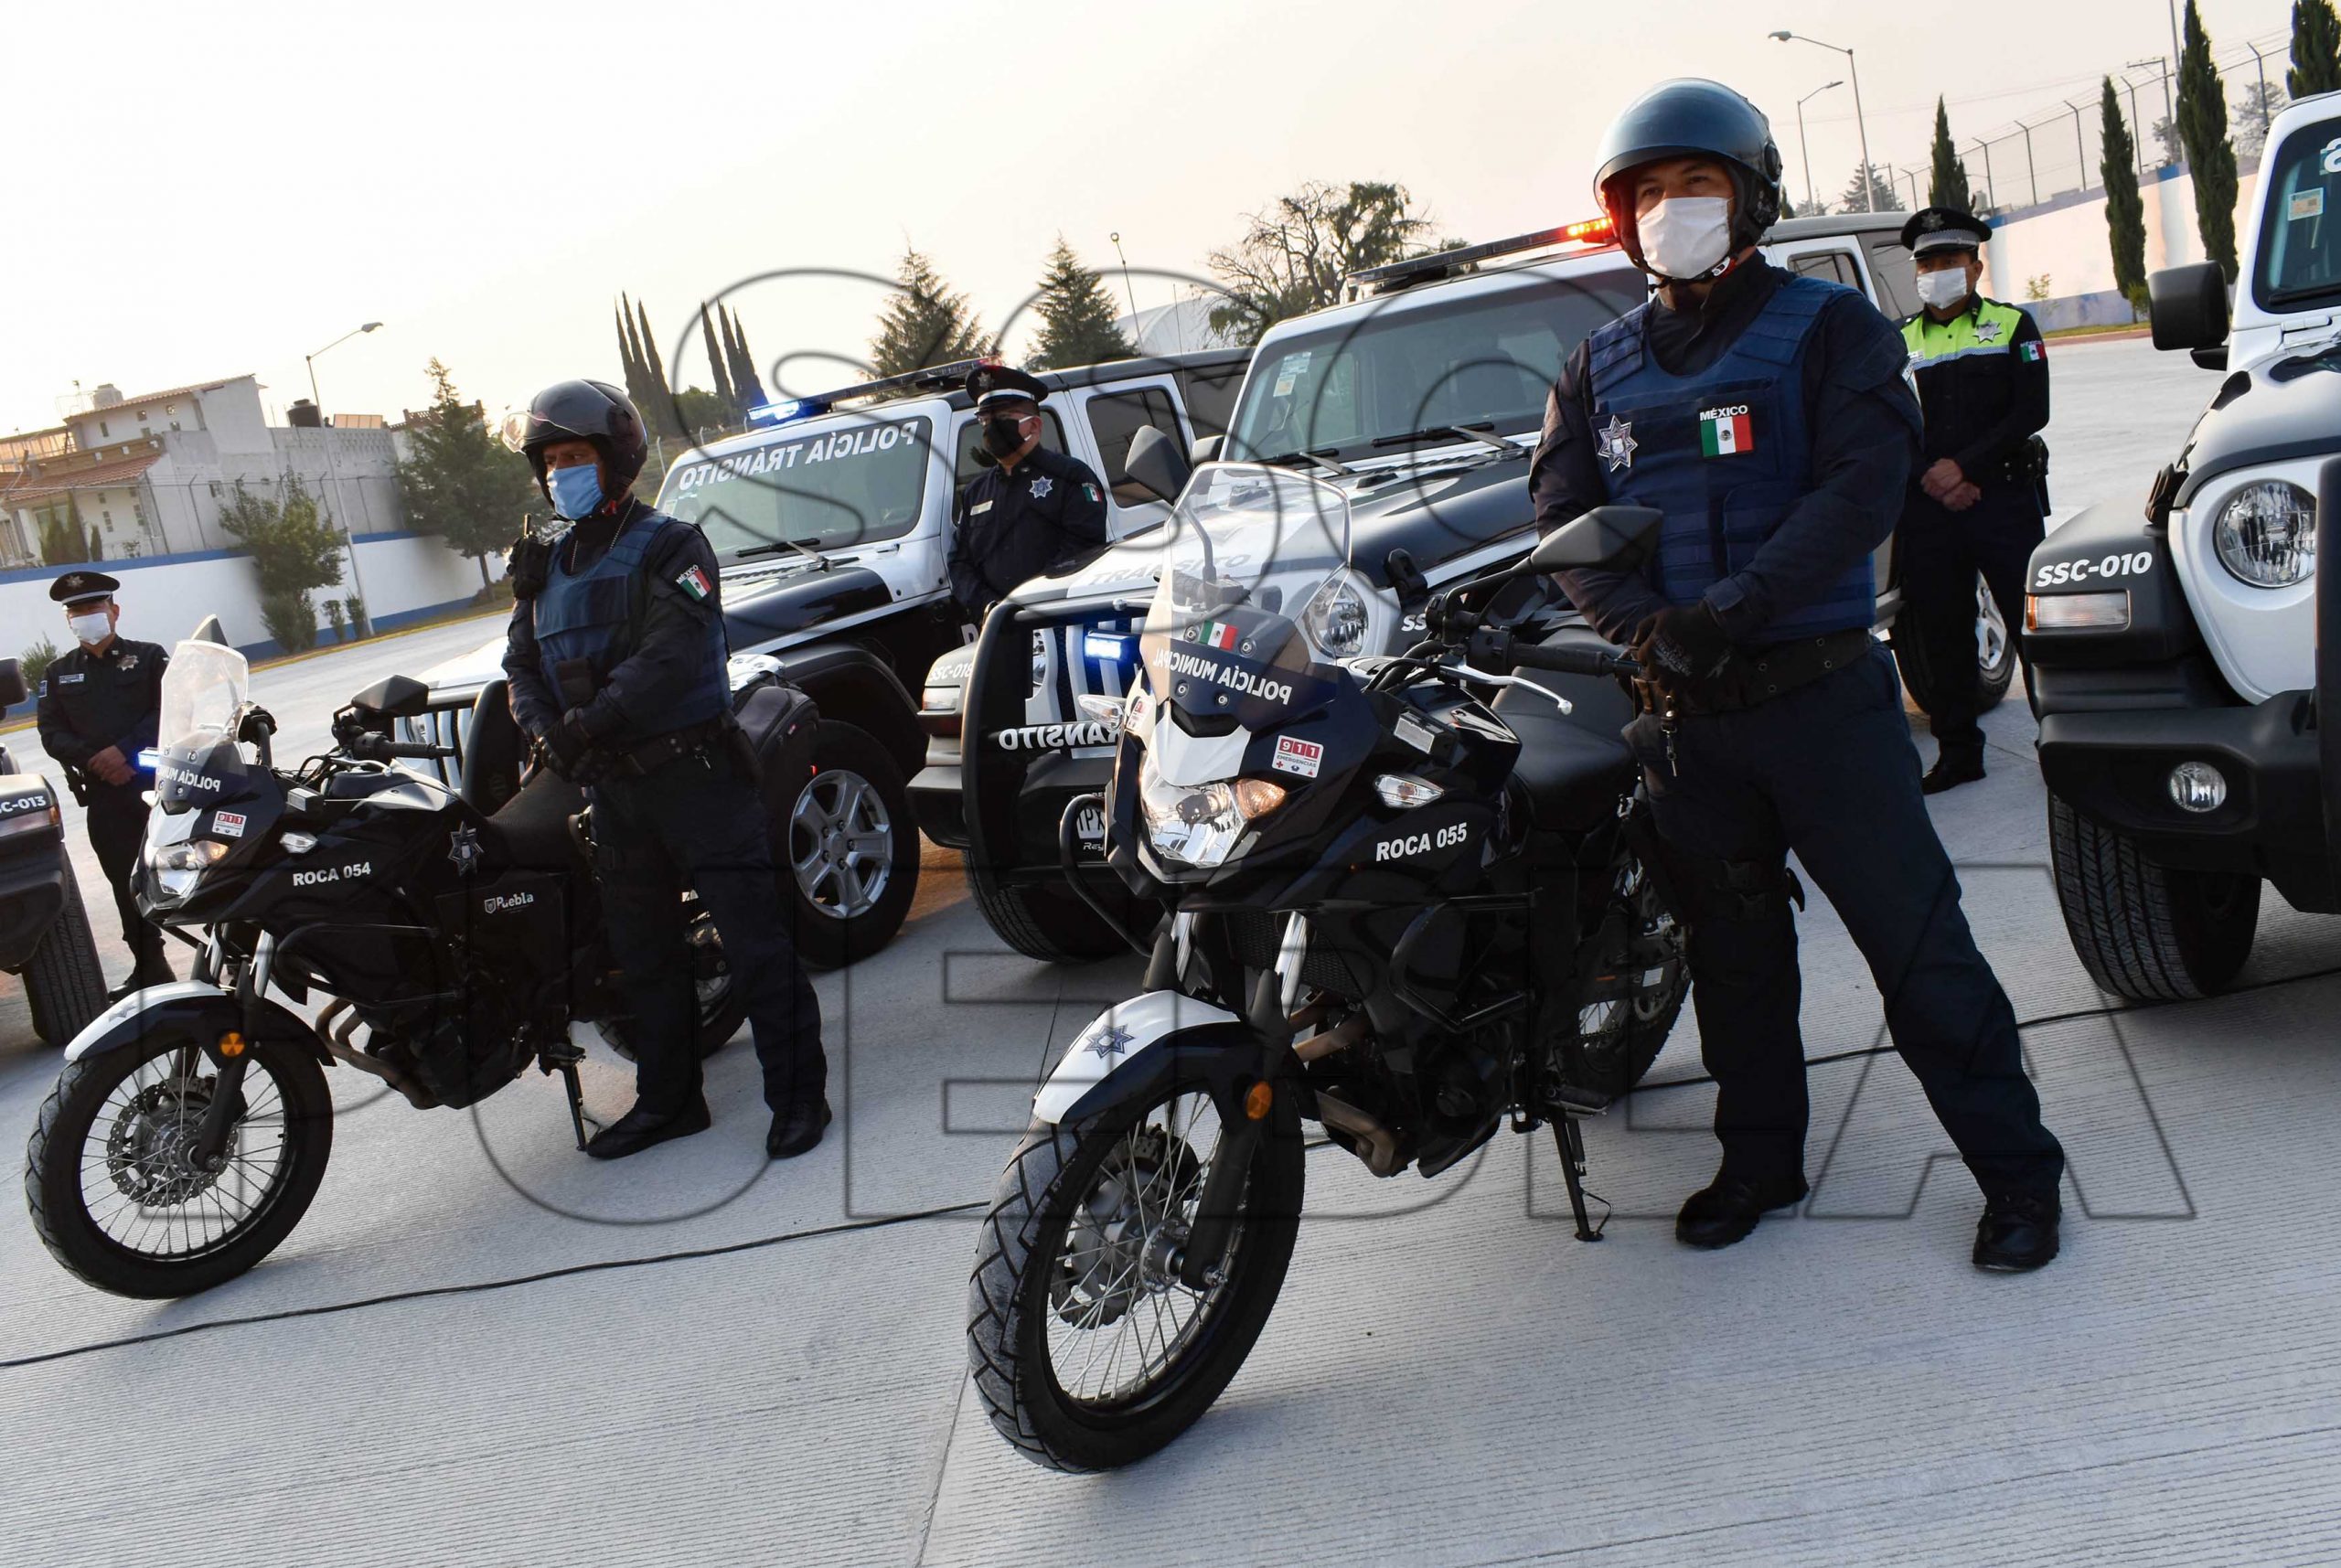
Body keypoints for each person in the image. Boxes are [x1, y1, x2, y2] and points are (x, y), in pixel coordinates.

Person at [1527, 79, 2065, 1271]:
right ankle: (1761, 1157)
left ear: (1752, 196)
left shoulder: (1834, 332)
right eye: (1649, 192)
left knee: (1918, 946)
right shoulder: (1598, 366)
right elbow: (1561, 509)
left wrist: (1735, 609)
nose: (1672, 209)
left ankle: (2020, 1175)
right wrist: (1642, 631)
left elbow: (1863, 486)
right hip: (1688, 719)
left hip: (1823, 703)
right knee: (1734, 953)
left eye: (1696, 186)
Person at [501, 379, 828, 1161]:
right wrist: (551, 734)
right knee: (643, 956)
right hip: (612, 790)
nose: (559, 473)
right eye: (549, 461)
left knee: (752, 943)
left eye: (574, 456)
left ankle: (798, 1098)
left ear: (614, 460)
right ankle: (670, 1101)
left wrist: (589, 723)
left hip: (695, 776)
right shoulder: (546, 566)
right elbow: (520, 663)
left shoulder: (673, 544)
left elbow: (672, 652)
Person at [1895, 206, 2052, 794]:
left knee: (2030, 626)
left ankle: (2059, 741)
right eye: (1927, 262)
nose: (1938, 271)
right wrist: (1933, 478)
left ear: (1975, 266)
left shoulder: (2012, 326)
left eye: (1949, 260)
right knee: (1942, 633)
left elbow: (2030, 411)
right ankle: (1959, 754)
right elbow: (1889, 425)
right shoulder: (1899, 339)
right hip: (1929, 511)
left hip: (2003, 500)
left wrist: (1962, 468)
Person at [35, 571, 174, 999]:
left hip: (159, 787)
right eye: (76, 611)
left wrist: (124, 751)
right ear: (68, 621)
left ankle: (229, 952)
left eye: (93, 608)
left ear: (114, 612)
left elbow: (169, 709)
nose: (85, 617)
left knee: (192, 869)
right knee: (124, 881)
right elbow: (51, 733)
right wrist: (95, 760)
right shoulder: (58, 674)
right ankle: (150, 965)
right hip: (106, 795)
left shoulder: (150, 657)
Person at [946, 364, 1109, 623]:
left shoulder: (1071, 477)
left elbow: (1084, 548)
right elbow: (960, 562)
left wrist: (1030, 601)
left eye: (1003, 419)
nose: (991, 428)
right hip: (997, 627)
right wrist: (989, 606)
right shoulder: (976, 492)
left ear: (1033, 425)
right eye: (986, 420)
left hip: (1058, 619)